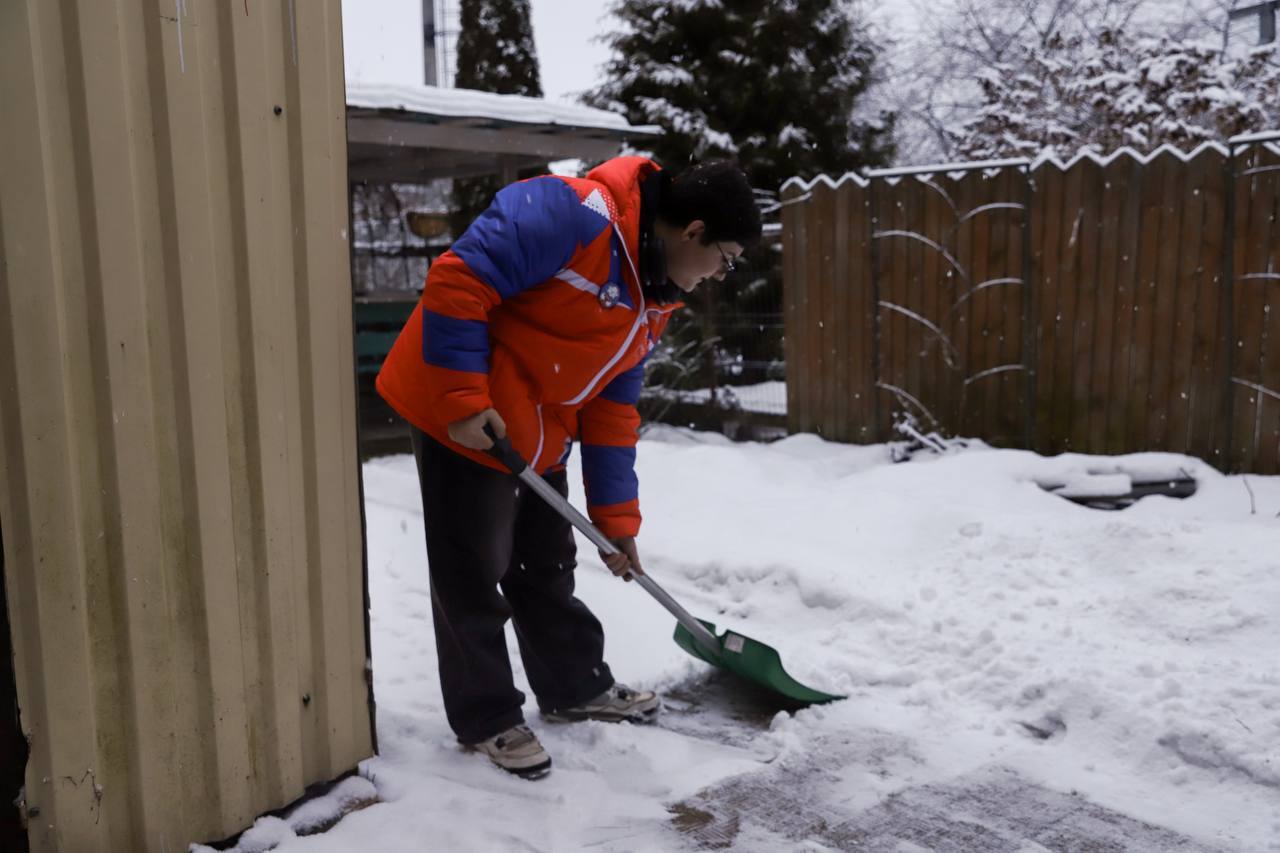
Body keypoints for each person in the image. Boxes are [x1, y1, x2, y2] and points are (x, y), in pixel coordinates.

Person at [376, 156, 762, 778]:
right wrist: (462, 401)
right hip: (461, 411)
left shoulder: (653, 300)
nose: (721, 274)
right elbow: (458, 280)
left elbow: (611, 409)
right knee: (473, 571)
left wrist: (616, 520)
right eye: (727, 258)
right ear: (693, 231)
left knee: (545, 565)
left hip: (535, 426)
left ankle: (574, 685)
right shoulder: (572, 214)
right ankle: (487, 717)